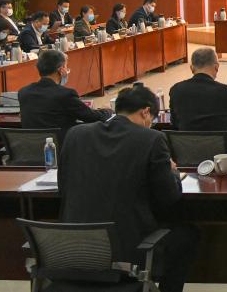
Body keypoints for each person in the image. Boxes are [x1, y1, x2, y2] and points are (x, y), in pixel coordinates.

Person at [59, 86, 198, 292]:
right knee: (187, 236)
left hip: (72, 249)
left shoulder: (75, 134)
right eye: (152, 119)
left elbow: (63, 188)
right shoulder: (151, 139)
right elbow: (168, 198)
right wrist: (173, 173)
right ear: (145, 112)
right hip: (125, 254)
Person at [18, 49, 109, 138]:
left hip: (32, 145)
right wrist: (107, 110)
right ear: (61, 70)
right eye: (66, 67)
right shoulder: (66, 94)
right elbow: (91, 117)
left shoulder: (24, 92)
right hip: (62, 145)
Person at [169, 48, 227, 132]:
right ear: (216, 67)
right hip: (221, 141)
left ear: (191, 68)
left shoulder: (176, 90)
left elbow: (174, 123)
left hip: (188, 141)